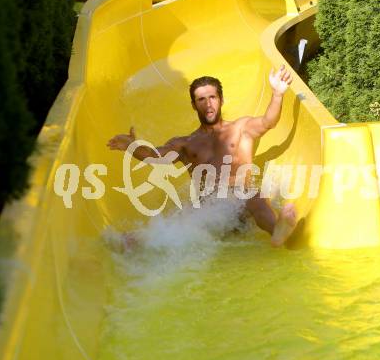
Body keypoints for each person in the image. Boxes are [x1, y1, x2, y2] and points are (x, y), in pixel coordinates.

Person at [107, 65, 297, 247]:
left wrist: (278, 94)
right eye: (201, 99)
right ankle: (132, 242)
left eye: (213, 97)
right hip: (210, 213)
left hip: (242, 210)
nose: (208, 104)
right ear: (193, 105)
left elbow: (268, 122)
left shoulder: (241, 129)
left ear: (221, 100)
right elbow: (154, 156)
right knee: (182, 216)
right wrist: (131, 146)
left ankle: (277, 231)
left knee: (251, 194)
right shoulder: (185, 143)